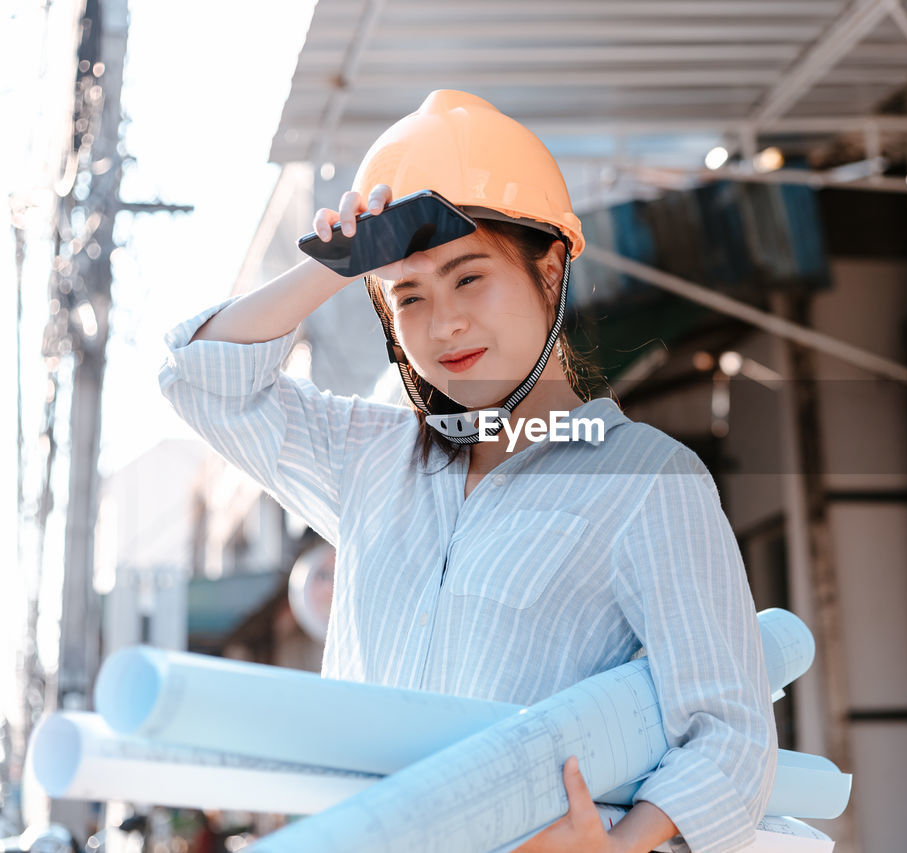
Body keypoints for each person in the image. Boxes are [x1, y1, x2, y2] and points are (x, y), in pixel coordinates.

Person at [159, 90, 777, 853]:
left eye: (469, 277)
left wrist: (618, 848)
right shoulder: (370, 459)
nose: (443, 324)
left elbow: (729, 734)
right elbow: (198, 378)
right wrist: (335, 269)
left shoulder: (647, 480)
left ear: (549, 270)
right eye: (408, 296)